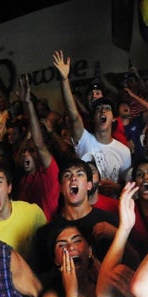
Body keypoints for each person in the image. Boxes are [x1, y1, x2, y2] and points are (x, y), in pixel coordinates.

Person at [54, 49, 132, 197]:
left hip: (112, 208)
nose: (102, 111)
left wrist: (117, 187)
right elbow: (73, 115)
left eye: (107, 109)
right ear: (93, 118)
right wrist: (64, 80)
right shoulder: (85, 140)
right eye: (98, 110)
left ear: (114, 118)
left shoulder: (124, 151)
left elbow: (128, 182)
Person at [31, 158, 119, 274]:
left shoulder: (110, 222)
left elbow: (131, 264)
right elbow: (42, 277)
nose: (73, 178)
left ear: (89, 185)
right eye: (67, 175)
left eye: (79, 174)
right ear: (61, 188)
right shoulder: (46, 233)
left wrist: (117, 235)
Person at [15, 74, 60, 222]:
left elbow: (39, 144)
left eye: (31, 151)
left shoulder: (48, 172)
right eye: (24, 152)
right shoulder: (23, 180)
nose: (25, 154)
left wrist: (28, 104)